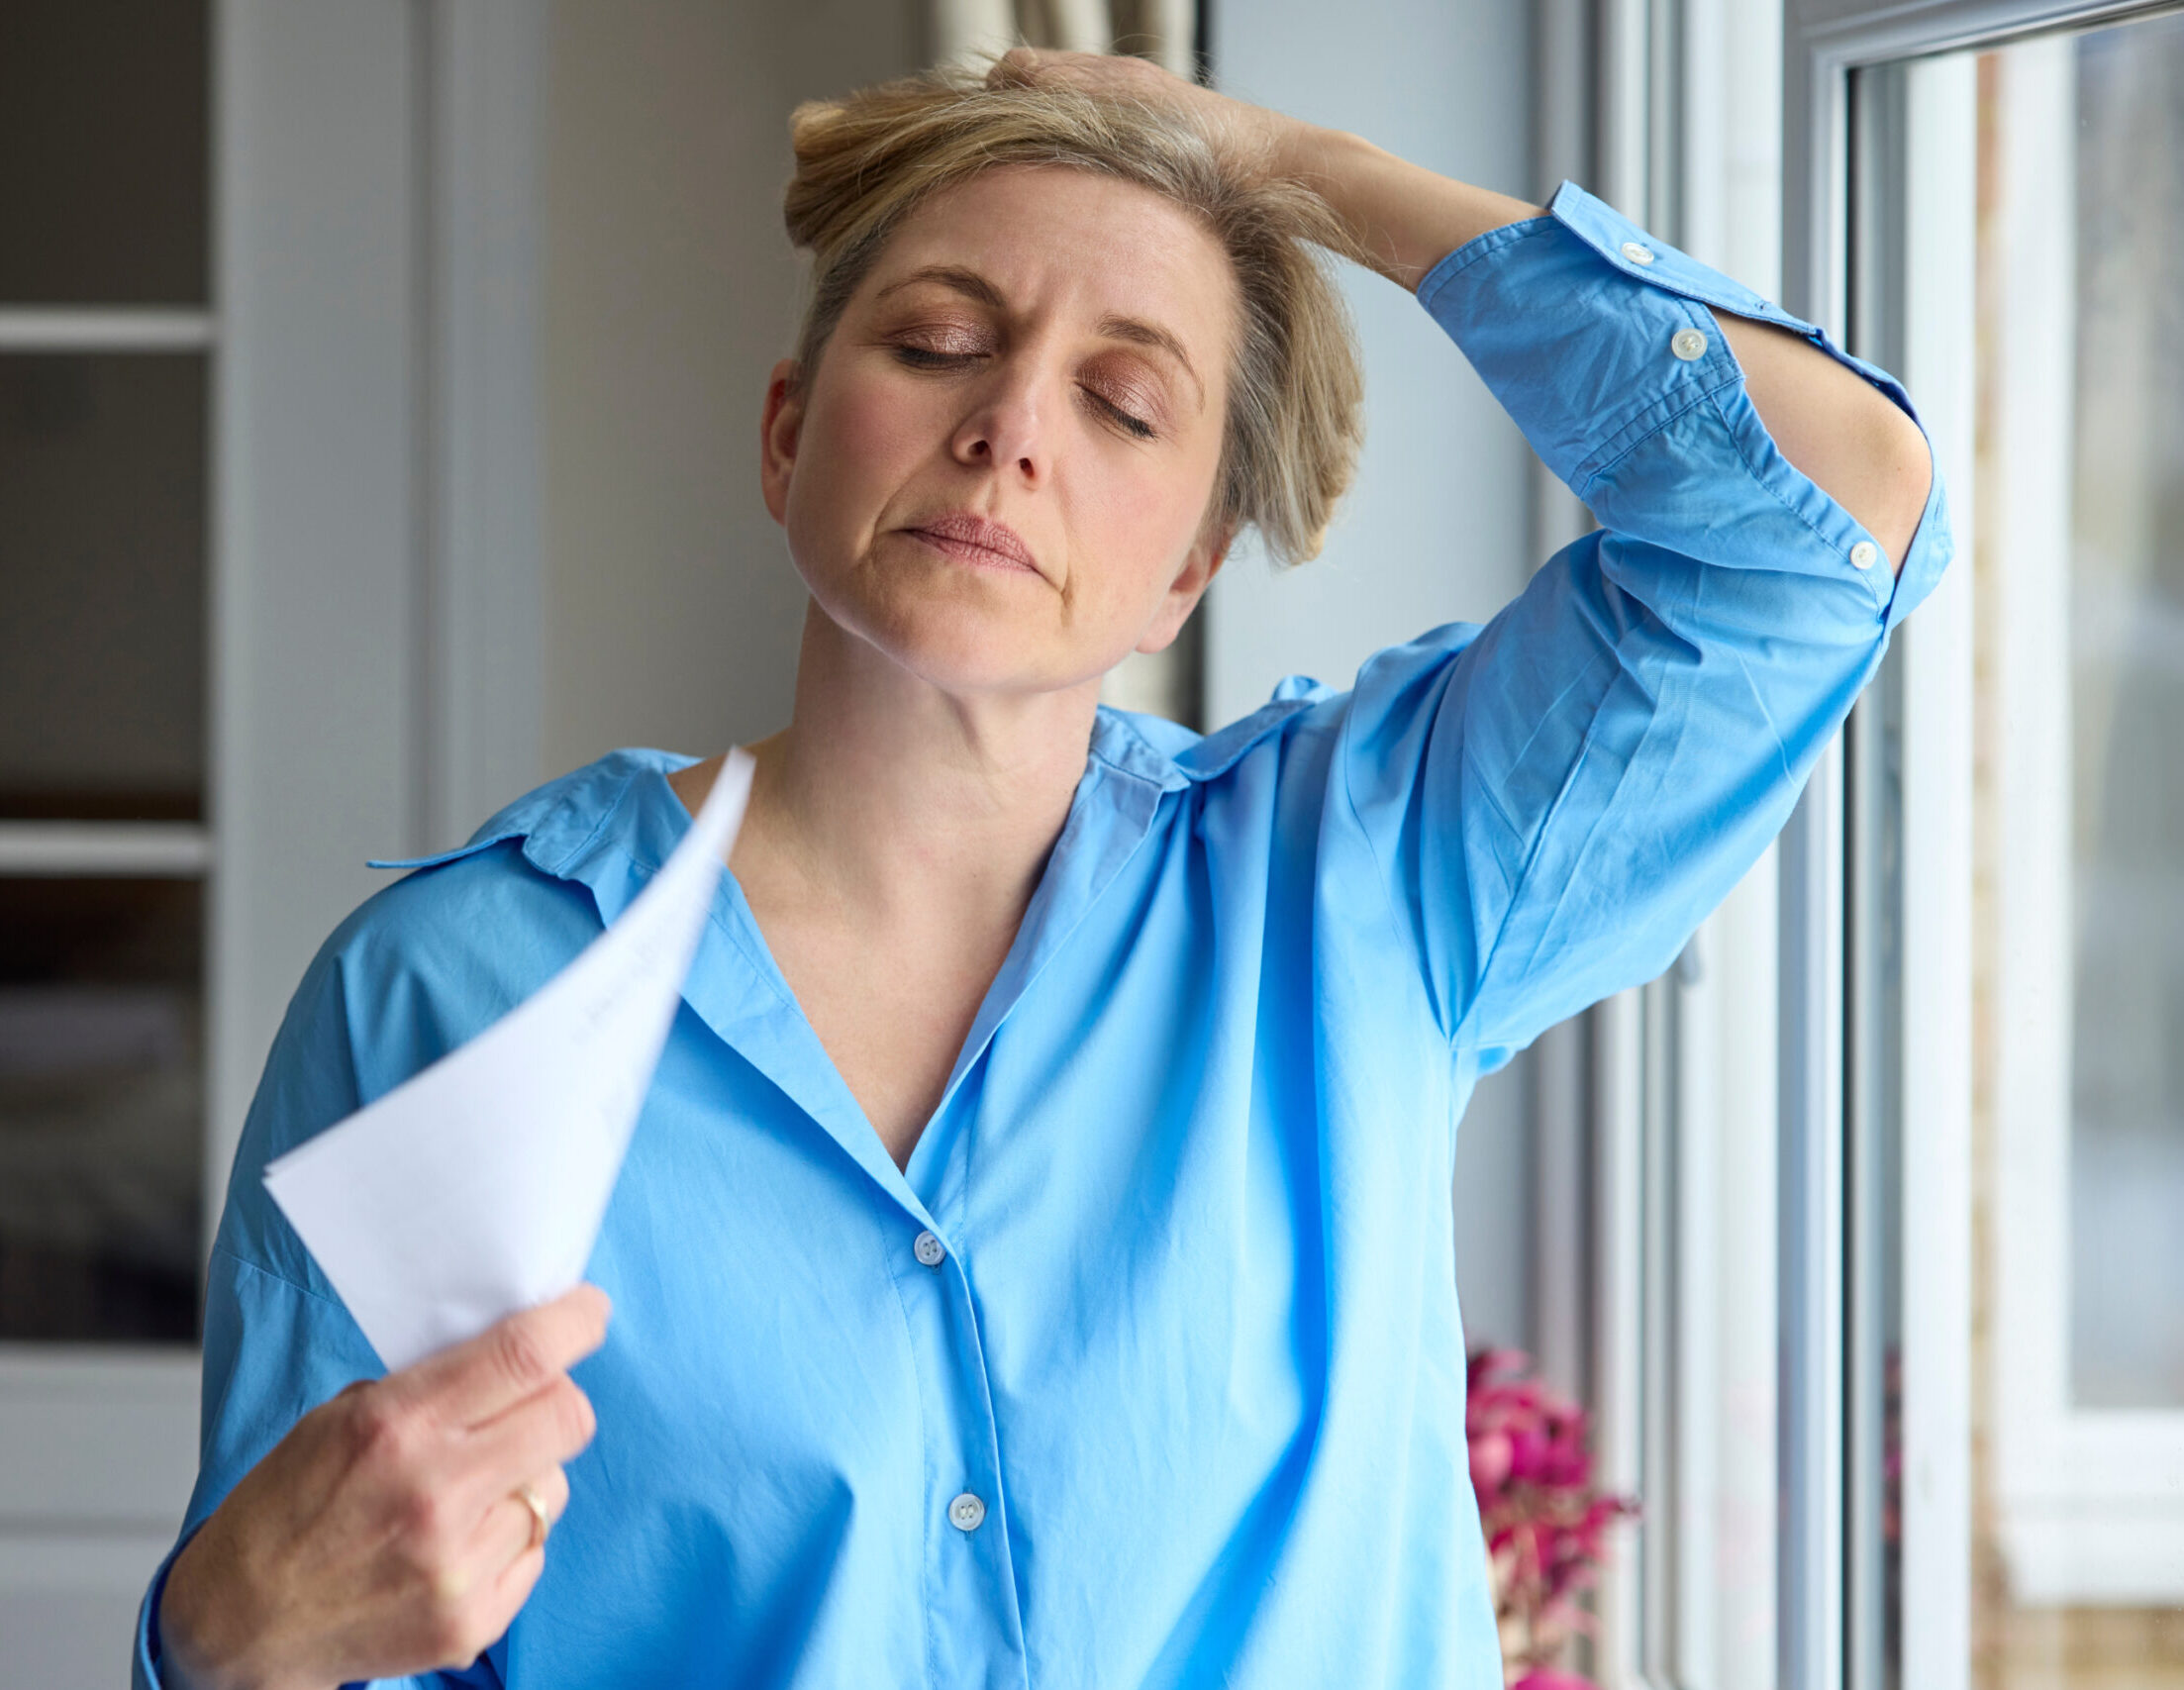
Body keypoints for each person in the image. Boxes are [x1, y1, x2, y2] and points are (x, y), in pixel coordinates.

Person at [137, 47, 1942, 1690]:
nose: (1007, 426)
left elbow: (1823, 516)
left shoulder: (1369, 887)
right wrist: (216, 1645)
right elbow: (316, 1622)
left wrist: (1293, 166)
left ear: (1191, 570)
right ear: (786, 435)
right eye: (935, 343)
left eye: (1124, 402)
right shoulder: (449, 990)